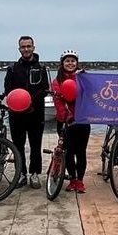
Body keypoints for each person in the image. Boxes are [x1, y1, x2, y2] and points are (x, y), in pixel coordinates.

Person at [4, 35, 50, 190]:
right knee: (18, 146)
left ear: (33, 48)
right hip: (16, 114)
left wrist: (30, 100)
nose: (26, 49)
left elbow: (45, 89)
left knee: (35, 145)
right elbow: (8, 90)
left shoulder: (42, 68)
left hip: (36, 113)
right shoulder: (12, 69)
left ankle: (35, 173)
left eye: (28, 46)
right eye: (23, 47)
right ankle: (20, 174)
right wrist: (18, 102)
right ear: (19, 49)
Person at [52, 50, 90, 193]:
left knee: (81, 152)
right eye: (67, 61)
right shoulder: (57, 81)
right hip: (65, 122)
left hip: (82, 120)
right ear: (62, 63)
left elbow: (92, 96)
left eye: (73, 61)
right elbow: (58, 102)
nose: (70, 63)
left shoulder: (83, 78)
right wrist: (66, 115)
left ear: (77, 63)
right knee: (68, 152)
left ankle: (80, 181)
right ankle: (72, 179)